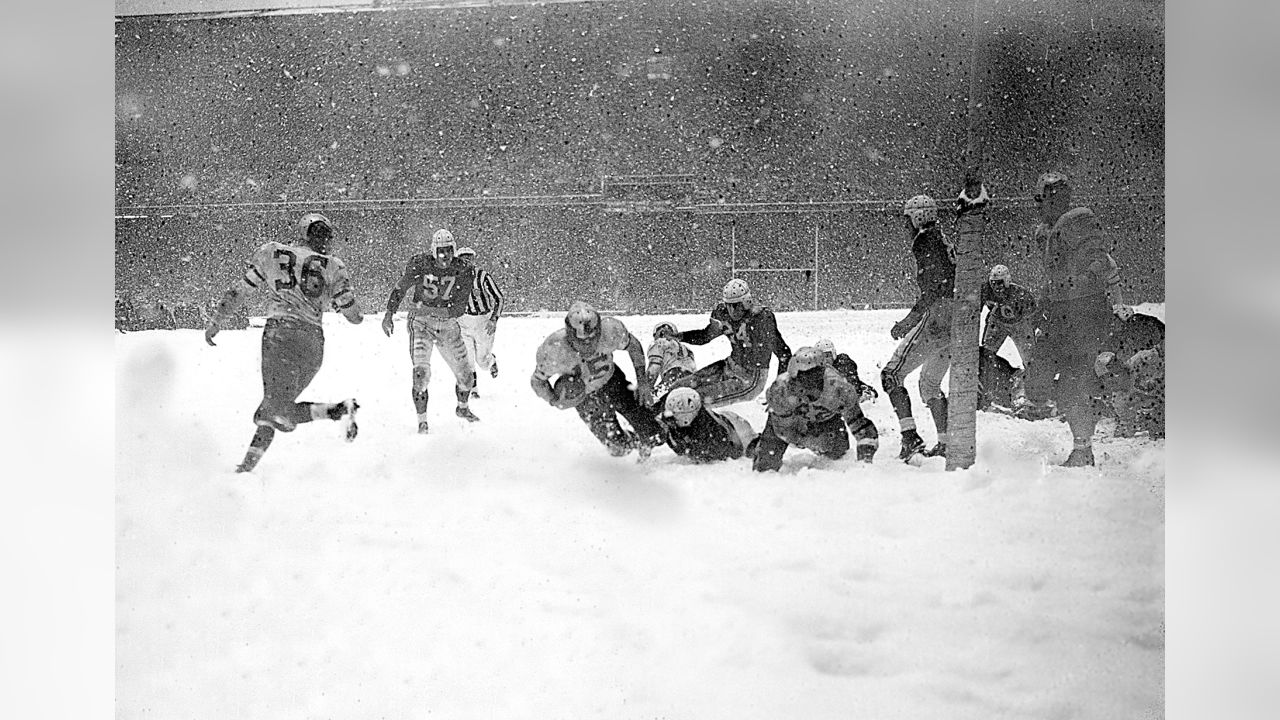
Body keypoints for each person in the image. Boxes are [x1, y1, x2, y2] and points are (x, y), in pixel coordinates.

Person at [204, 212, 362, 473]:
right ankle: (247, 466)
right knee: (278, 409)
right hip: (312, 342)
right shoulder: (334, 266)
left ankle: (333, 411)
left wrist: (218, 319)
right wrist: (334, 302)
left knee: (273, 409)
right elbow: (355, 317)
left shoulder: (273, 252)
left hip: (280, 334)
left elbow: (240, 290)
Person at [1015, 172, 1131, 466]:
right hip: (1060, 314)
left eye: (1042, 200)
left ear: (1054, 198)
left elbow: (1099, 261)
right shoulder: (1049, 230)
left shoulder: (1077, 221)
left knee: (1069, 384)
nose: (1039, 207)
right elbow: (1053, 277)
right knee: (1039, 377)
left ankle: (1084, 447)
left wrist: (1076, 284)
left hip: (1082, 314)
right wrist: (1045, 302)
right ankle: (1092, 396)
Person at [530, 301, 664, 458]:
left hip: (613, 381)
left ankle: (658, 426)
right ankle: (632, 440)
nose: (587, 346)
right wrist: (554, 399)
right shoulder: (554, 349)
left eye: (592, 339)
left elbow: (633, 345)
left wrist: (643, 384)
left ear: (600, 330)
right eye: (580, 341)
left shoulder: (611, 330)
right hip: (584, 398)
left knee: (654, 433)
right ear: (569, 334)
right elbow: (537, 381)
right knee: (618, 448)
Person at [880, 194, 956, 461]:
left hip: (939, 316)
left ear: (917, 217)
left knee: (891, 375)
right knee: (930, 385)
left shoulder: (926, 241)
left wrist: (909, 321)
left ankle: (910, 437)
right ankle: (946, 442)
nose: (906, 226)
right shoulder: (940, 237)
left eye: (907, 220)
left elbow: (934, 288)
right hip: (955, 319)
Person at [382, 227, 479, 434]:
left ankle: (462, 408)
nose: (445, 256)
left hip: (447, 325)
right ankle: (422, 422)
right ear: (433, 251)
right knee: (421, 373)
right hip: (421, 323)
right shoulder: (420, 264)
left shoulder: (463, 269)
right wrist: (389, 313)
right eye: (441, 251)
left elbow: (459, 307)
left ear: (454, 250)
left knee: (467, 376)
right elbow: (401, 288)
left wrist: (437, 310)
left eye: (449, 251)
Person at [659, 277, 792, 410]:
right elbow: (706, 336)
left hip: (750, 378)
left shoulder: (761, 319)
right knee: (678, 387)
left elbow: (784, 353)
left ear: (747, 302)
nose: (731, 310)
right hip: (729, 365)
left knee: (692, 399)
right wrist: (679, 336)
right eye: (728, 305)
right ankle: (654, 410)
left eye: (736, 305)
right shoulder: (722, 313)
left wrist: (779, 391)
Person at [753, 347, 873, 471]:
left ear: (822, 375)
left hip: (826, 422)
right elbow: (783, 431)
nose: (806, 385)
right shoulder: (781, 391)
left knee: (838, 457)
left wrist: (865, 461)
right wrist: (806, 439)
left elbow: (862, 428)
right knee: (765, 465)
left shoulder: (839, 390)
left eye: (812, 378)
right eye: (801, 379)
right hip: (790, 423)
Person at [814, 337, 880, 461]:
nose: (825, 360)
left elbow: (850, 388)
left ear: (833, 354)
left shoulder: (843, 363)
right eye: (821, 356)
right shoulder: (814, 371)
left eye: (827, 355)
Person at [657, 387, 758, 464]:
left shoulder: (710, 435)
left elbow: (729, 452)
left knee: (753, 449)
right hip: (727, 421)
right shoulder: (673, 421)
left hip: (737, 430)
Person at [454, 246, 505, 397]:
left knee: (481, 361)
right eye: (462, 258)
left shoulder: (482, 276)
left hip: (483, 320)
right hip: (464, 321)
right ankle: (473, 390)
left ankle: (491, 361)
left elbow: (499, 298)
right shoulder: (454, 278)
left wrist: (493, 319)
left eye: (468, 258)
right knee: (468, 359)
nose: (466, 261)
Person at [980, 264, 1038, 369]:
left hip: (1019, 324)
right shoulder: (986, 290)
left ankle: (1032, 380)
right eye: (993, 283)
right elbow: (977, 307)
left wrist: (1031, 327)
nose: (996, 287)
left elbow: (1033, 311)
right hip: (998, 323)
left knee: (1030, 360)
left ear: (1007, 281)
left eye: (999, 283)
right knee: (987, 352)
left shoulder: (1020, 293)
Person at [645, 321, 696, 397]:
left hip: (673, 377)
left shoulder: (659, 343)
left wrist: (645, 389)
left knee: (651, 401)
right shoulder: (687, 349)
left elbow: (654, 369)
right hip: (692, 380)